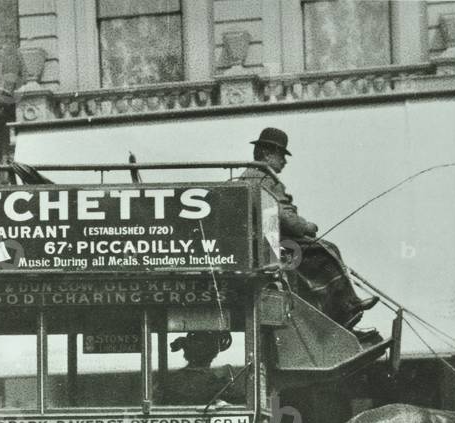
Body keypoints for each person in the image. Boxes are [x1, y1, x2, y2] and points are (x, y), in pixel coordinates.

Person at [239, 127, 378, 334]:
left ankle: (341, 310)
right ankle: (345, 307)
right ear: (268, 153)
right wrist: (307, 227)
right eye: (281, 155)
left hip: (262, 243)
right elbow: (283, 216)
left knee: (321, 253)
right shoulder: (264, 179)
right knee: (325, 251)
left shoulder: (248, 177)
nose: (284, 161)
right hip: (274, 245)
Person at [157, 332, 243, 406]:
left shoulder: (170, 381)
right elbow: (241, 403)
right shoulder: (217, 383)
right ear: (213, 354)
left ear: (186, 352)